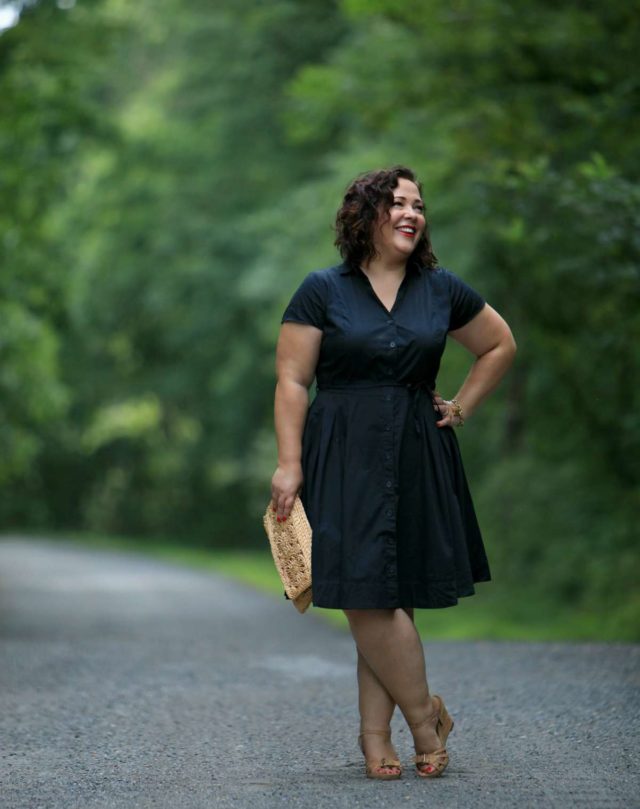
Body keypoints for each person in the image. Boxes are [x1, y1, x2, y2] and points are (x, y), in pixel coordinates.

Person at [270, 166, 516, 780]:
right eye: (397, 203)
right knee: (362, 590)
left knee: (388, 593)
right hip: (342, 449)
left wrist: (460, 406)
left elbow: (499, 344)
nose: (412, 213)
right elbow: (293, 380)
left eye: (419, 205)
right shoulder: (321, 290)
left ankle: (373, 735)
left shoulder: (440, 289)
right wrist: (289, 463)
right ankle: (425, 717)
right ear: (366, 215)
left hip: (415, 447)